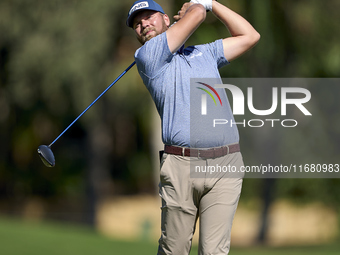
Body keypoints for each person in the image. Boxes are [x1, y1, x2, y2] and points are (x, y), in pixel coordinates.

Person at [126, 0, 260, 254]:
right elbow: (197, 14)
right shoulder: (148, 56)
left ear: (166, 19)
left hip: (226, 163)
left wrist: (213, 3)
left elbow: (250, 35)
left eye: (148, 17)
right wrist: (199, 5)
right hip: (181, 167)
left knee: (214, 251)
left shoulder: (204, 53)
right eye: (137, 23)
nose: (143, 24)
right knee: (174, 249)